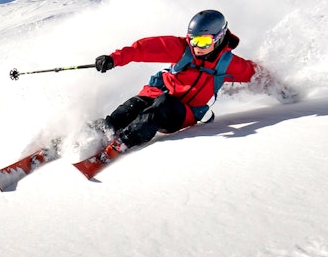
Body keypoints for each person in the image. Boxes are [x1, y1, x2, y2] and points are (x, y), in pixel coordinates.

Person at [88, 9, 296, 157]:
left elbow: (257, 75)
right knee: (132, 107)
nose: (197, 46)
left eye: (203, 41)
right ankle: (95, 133)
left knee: (161, 107)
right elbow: (143, 49)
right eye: (193, 39)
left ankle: (123, 142)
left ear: (219, 37)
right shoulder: (181, 48)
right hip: (158, 93)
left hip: (184, 111)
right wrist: (114, 58)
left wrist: (283, 90)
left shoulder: (228, 63)